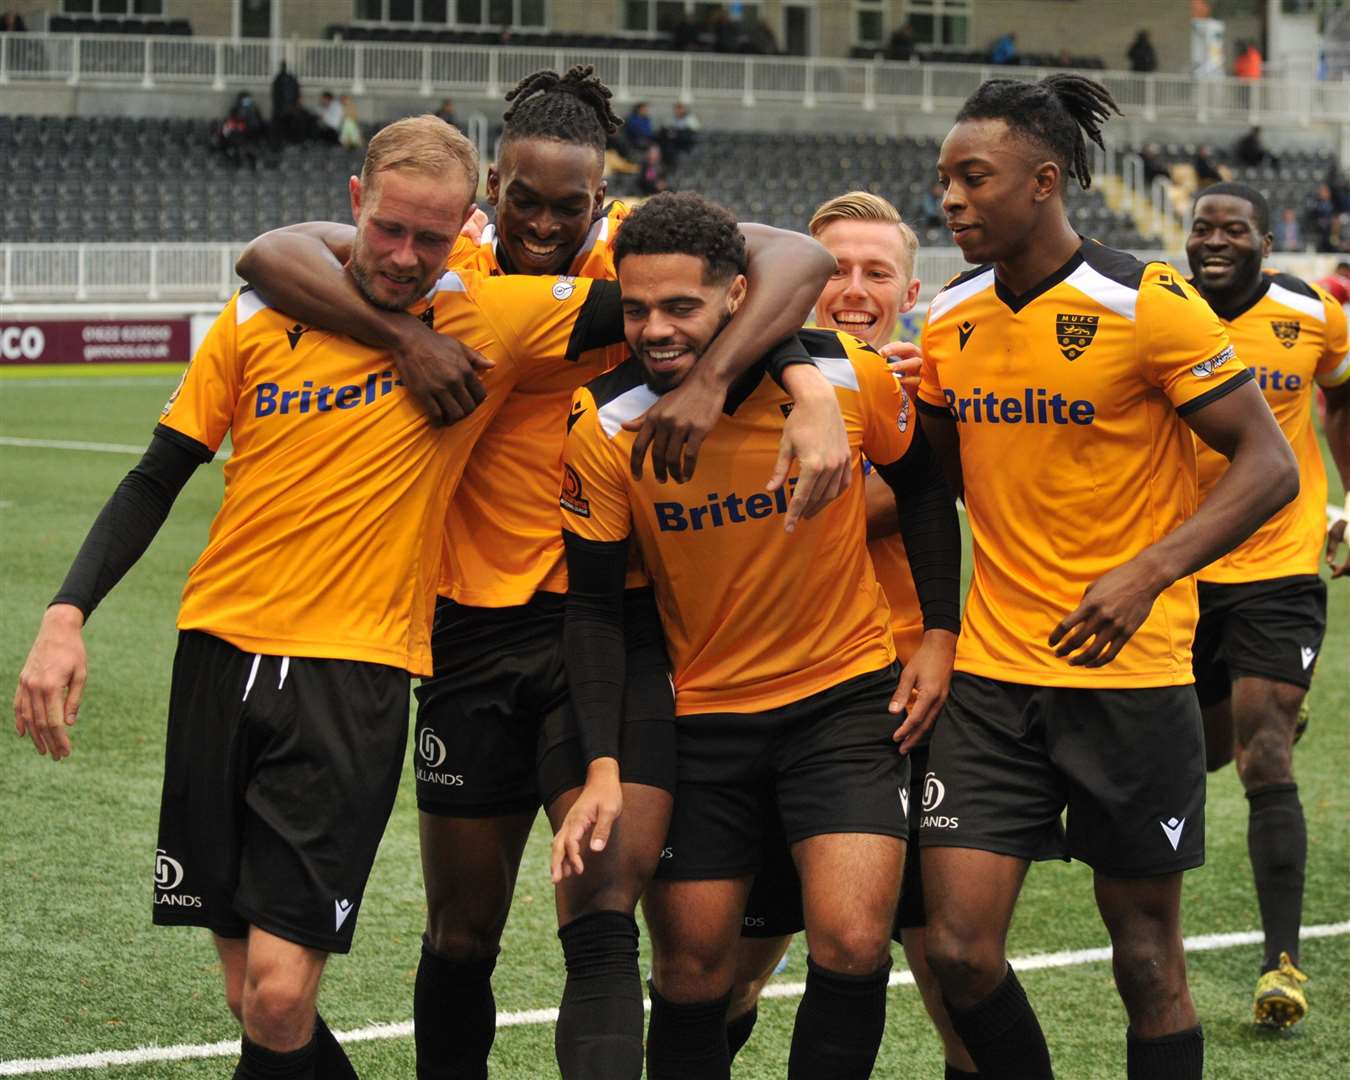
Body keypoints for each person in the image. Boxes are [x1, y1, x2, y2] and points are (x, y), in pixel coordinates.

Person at [236, 67, 847, 1080]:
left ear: (602, 200)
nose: (547, 223)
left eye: (572, 205)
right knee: (461, 932)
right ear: (492, 186)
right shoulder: (445, 258)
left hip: (607, 623)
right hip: (468, 631)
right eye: (525, 199)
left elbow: (796, 256)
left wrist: (717, 377)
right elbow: (268, 254)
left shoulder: (636, 262)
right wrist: (404, 341)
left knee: (602, 913)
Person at [11, 114, 643, 1080]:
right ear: (354, 203)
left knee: (277, 992)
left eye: (432, 239)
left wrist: (799, 373)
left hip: (356, 673)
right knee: (250, 1000)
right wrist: (65, 617)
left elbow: (673, 302)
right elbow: (157, 474)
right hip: (214, 656)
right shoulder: (257, 318)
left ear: (465, 230)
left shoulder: (490, 315)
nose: (404, 256)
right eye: (389, 228)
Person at [915, 74, 1299, 1080]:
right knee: (956, 950)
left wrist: (1149, 572)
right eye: (944, 180)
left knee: (1145, 961)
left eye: (972, 178)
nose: (949, 199)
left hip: (1132, 680)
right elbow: (930, 488)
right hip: (995, 680)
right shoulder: (945, 321)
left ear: (1044, 182)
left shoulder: (1148, 305)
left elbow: (1270, 466)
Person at [556, 190, 962, 1080]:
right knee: (693, 969)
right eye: (636, 309)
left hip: (845, 703)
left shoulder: (847, 375)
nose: (655, 329)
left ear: (738, 297)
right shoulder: (606, 421)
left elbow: (927, 488)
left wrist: (938, 634)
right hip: (703, 719)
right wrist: (600, 761)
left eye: (680, 307)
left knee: (854, 942)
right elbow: (591, 607)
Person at [722, 191, 979, 1078]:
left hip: (904, 700)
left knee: (950, 966)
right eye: (834, 270)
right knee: (719, 977)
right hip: (764, 695)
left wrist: (917, 424)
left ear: (911, 289)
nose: (855, 289)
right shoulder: (746, 379)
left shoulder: (933, 390)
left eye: (878, 272)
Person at [1185, 182, 1350, 1029]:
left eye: (1233, 229)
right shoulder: (1156, 311)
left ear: (1264, 240)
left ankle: (1280, 966)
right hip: (1177, 566)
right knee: (1195, 753)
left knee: (1265, 758)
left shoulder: (1313, 313)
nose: (1216, 240)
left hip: (1281, 564)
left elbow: (1343, 396)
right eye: (1202, 227)